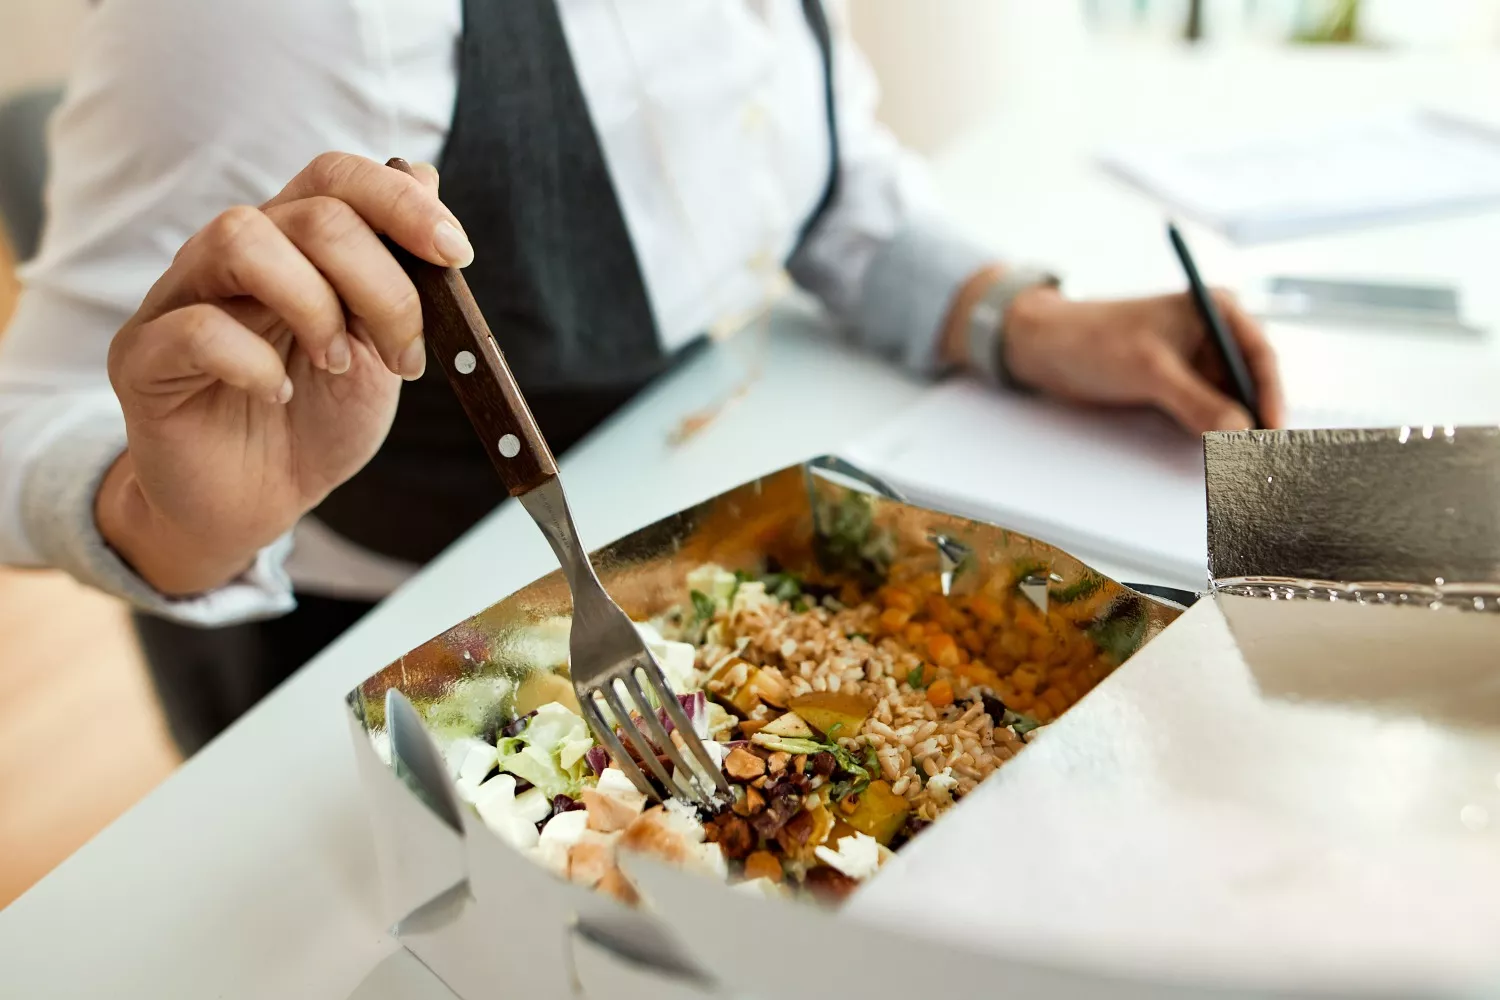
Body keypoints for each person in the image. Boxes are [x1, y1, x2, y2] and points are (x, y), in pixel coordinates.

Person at [0, 0, 1283, 756]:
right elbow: (25, 423)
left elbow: (827, 183)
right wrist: (172, 520)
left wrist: (1019, 318)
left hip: (700, 577)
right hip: (394, 670)